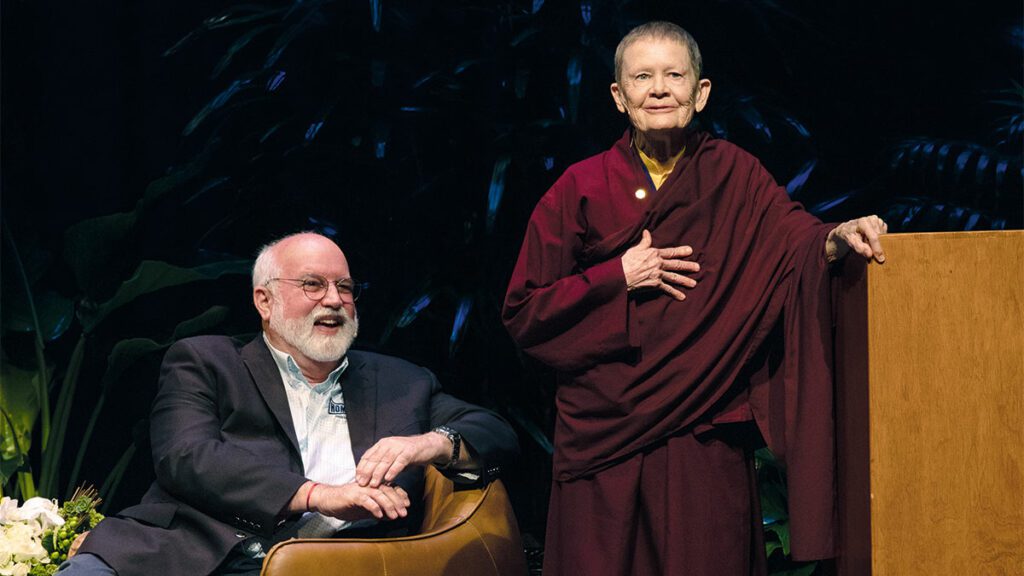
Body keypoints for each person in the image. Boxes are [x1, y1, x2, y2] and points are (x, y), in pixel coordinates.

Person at [502, 21, 887, 576]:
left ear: (701, 92)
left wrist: (835, 238)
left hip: (702, 430)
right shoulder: (579, 188)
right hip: (603, 432)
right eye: (642, 76)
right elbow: (523, 312)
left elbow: (795, 239)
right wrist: (617, 277)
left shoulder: (735, 176)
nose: (659, 89)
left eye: (674, 75)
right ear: (618, 96)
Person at [62, 232, 518, 576]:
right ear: (265, 300)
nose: (335, 301)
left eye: (345, 287)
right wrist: (318, 496)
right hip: (203, 552)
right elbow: (187, 457)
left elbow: (496, 432)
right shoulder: (206, 361)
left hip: (338, 563)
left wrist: (431, 445)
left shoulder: (401, 381)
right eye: (313, 285)